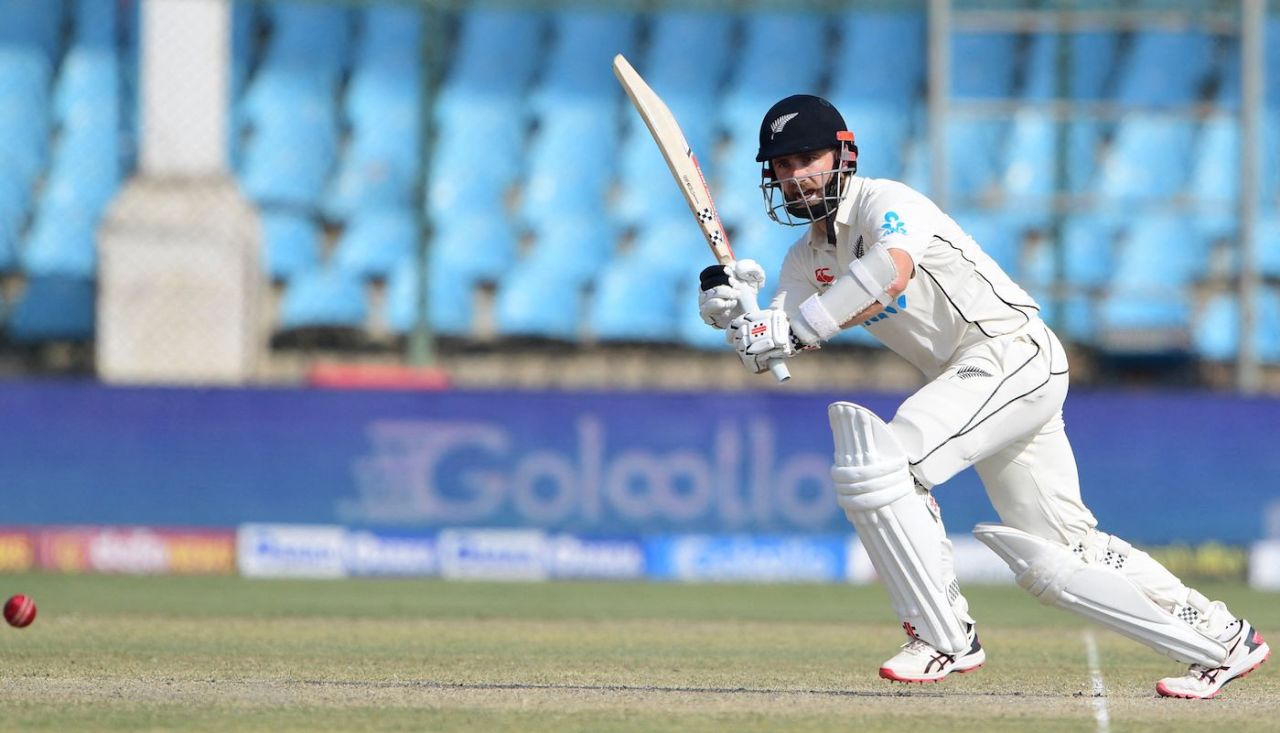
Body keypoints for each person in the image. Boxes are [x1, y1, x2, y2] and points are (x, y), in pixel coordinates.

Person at [697, 94, 1270, 698]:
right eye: (781, 166)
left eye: (806, 158)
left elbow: (889, 271)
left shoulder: (888, 203)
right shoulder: (806, 257)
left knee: (885, 462)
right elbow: (770, 347)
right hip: (983, 378)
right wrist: (735, 315)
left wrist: (794, 325)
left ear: (845, 154)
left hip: (1006, 352)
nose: (795, 176)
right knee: (1062, 553)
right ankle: (1222, 638)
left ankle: (944, 636)